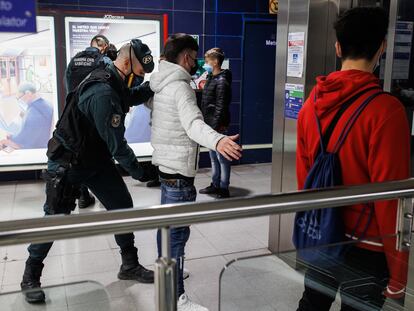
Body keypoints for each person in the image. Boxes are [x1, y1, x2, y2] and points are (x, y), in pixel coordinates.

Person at [20, 39, 157, 304]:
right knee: (54, 219)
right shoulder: (102, 92)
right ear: (127, 63)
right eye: (138, 74)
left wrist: (153, 87)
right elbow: (118, 146)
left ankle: (129, 264)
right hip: (68, 162)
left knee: (122, 207)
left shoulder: (113, 76)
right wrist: (142, 173)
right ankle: (30, 276)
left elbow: (128, 96)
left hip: (96, 159)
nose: (137, 79)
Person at [296, 7, 410, 310]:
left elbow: (304, 178)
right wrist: (398, 274)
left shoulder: (311, 105)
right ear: (382, 47)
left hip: (323, 233)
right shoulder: (387, 111)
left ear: (337, 47)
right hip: (368, 245)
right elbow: (391, 199)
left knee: (312, 303)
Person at [149, 33, 242, 311]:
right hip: (179, 174)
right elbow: (192, 124)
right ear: (187, 56)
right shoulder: (181, 87)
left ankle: (165, 277)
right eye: (195, 57)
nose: (197, 63)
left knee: (166, 230)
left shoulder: (161, 83)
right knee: (176, 235)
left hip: (166, 166)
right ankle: (175, 297)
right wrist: (218, 140)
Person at [199, 48, 232, 198]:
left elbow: (221, 106)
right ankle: (215, 184)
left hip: (218, 125)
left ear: (216, 62)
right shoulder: (212, 78)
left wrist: (214, 127)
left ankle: (224, 188)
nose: (205, 63)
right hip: (210, 124)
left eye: (207, 61)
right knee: (213, 157)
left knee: (222, 158)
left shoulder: (222, 81)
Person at [0, 82, 53, 150]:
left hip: (35, 147)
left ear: (28, 93)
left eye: (20, 97)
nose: (20, 100)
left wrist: (10, 138)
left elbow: (25, 140)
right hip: (39, 143)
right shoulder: (44, 104)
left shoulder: (34, 111)